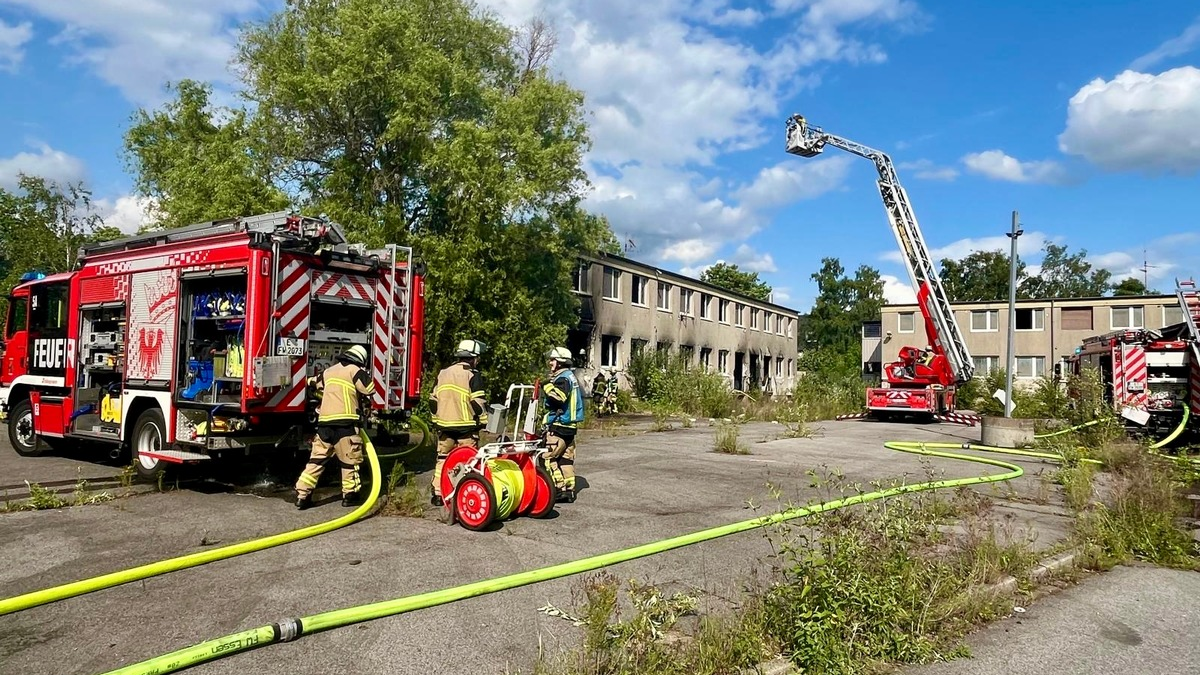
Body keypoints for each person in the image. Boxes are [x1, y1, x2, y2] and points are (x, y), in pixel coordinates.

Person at [295, 345, 374, 510]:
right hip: (346, 425)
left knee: (316, 460)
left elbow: (313, 382)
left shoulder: (328, 371)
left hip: (324, 425)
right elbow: (369, 389)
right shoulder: (355, 371)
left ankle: (302, 496)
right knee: (349, 461)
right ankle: (350, 496)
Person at [429, 339, 488, 506]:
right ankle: (463, 493)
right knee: (468, 461)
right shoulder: (473, 375)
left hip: (444, 427)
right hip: (466, 428)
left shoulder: (443, 373)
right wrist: (484, 421)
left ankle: (438, 494)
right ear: (473, 358)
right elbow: (477, 402)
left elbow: (432, 400)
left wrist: (437, 421)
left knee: (442, 459)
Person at [541, 346, 584, 503]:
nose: (550, 363)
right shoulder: (571, 376)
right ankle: (569, 491)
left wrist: (546, 385)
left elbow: (558, 398)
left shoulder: (563, 378)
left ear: (560, 362)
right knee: (565, 460)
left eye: (553, 360)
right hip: (569, 427)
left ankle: (558, 489)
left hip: (558, 425)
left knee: (547, 458)